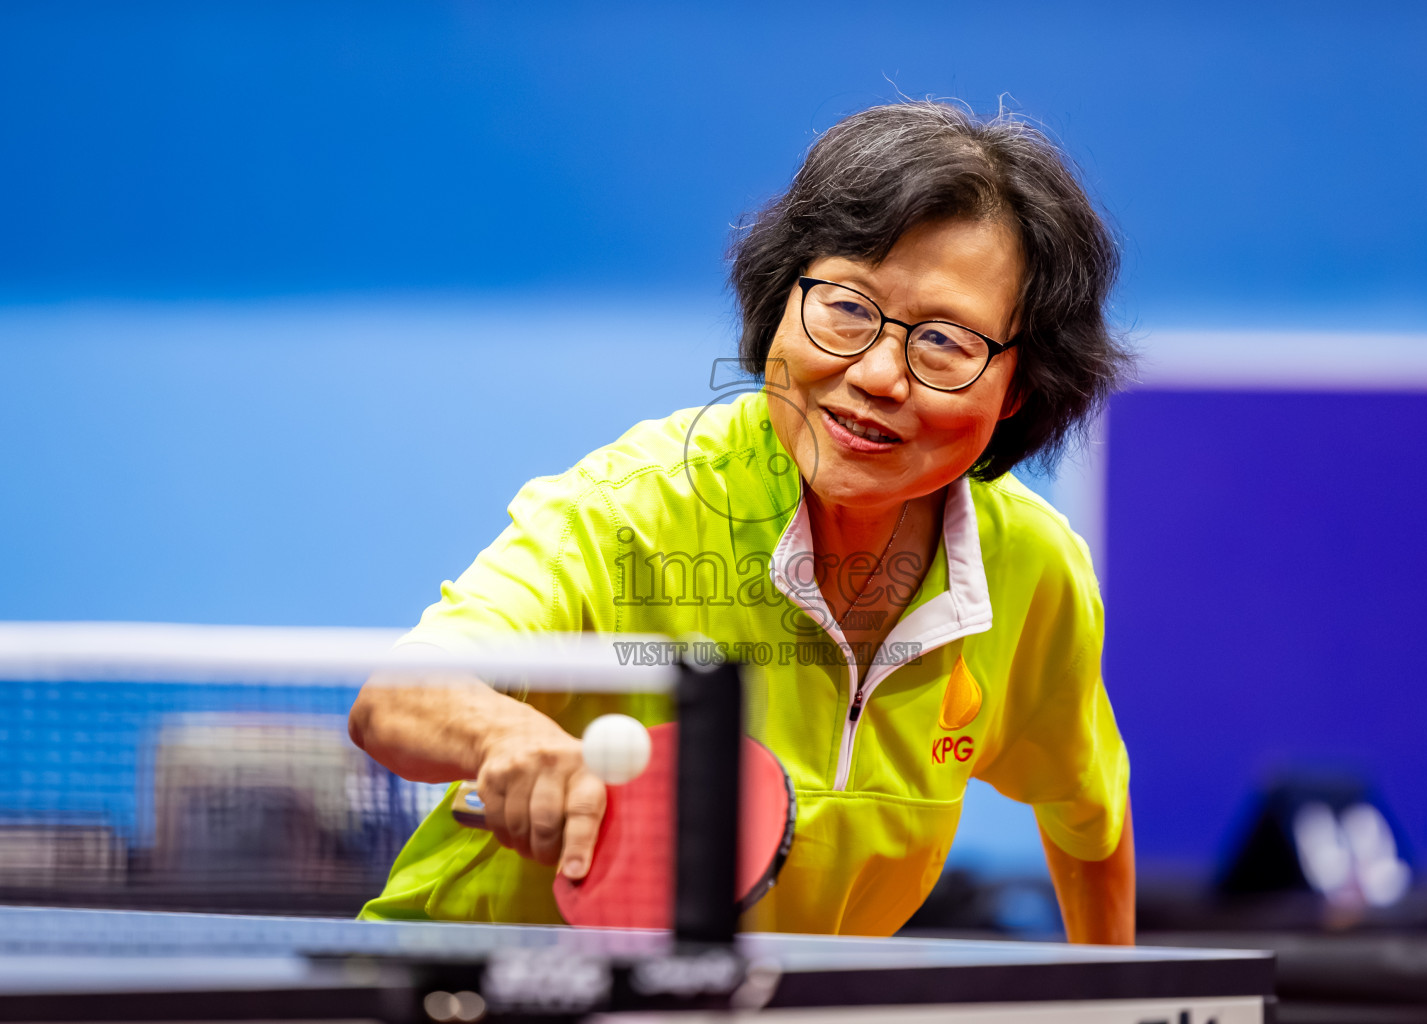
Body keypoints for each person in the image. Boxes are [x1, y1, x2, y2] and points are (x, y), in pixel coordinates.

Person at [349, 101, 1135, 941]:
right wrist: (507, 737)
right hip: (466, 986)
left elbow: (1090, 816)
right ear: (779, 304)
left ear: (1017, 388)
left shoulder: (1034, 569)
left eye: (943, 341)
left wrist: (1127, 1003)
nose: (875, 374)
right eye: (846, 306)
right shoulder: (633, 509)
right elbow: (396, 700)